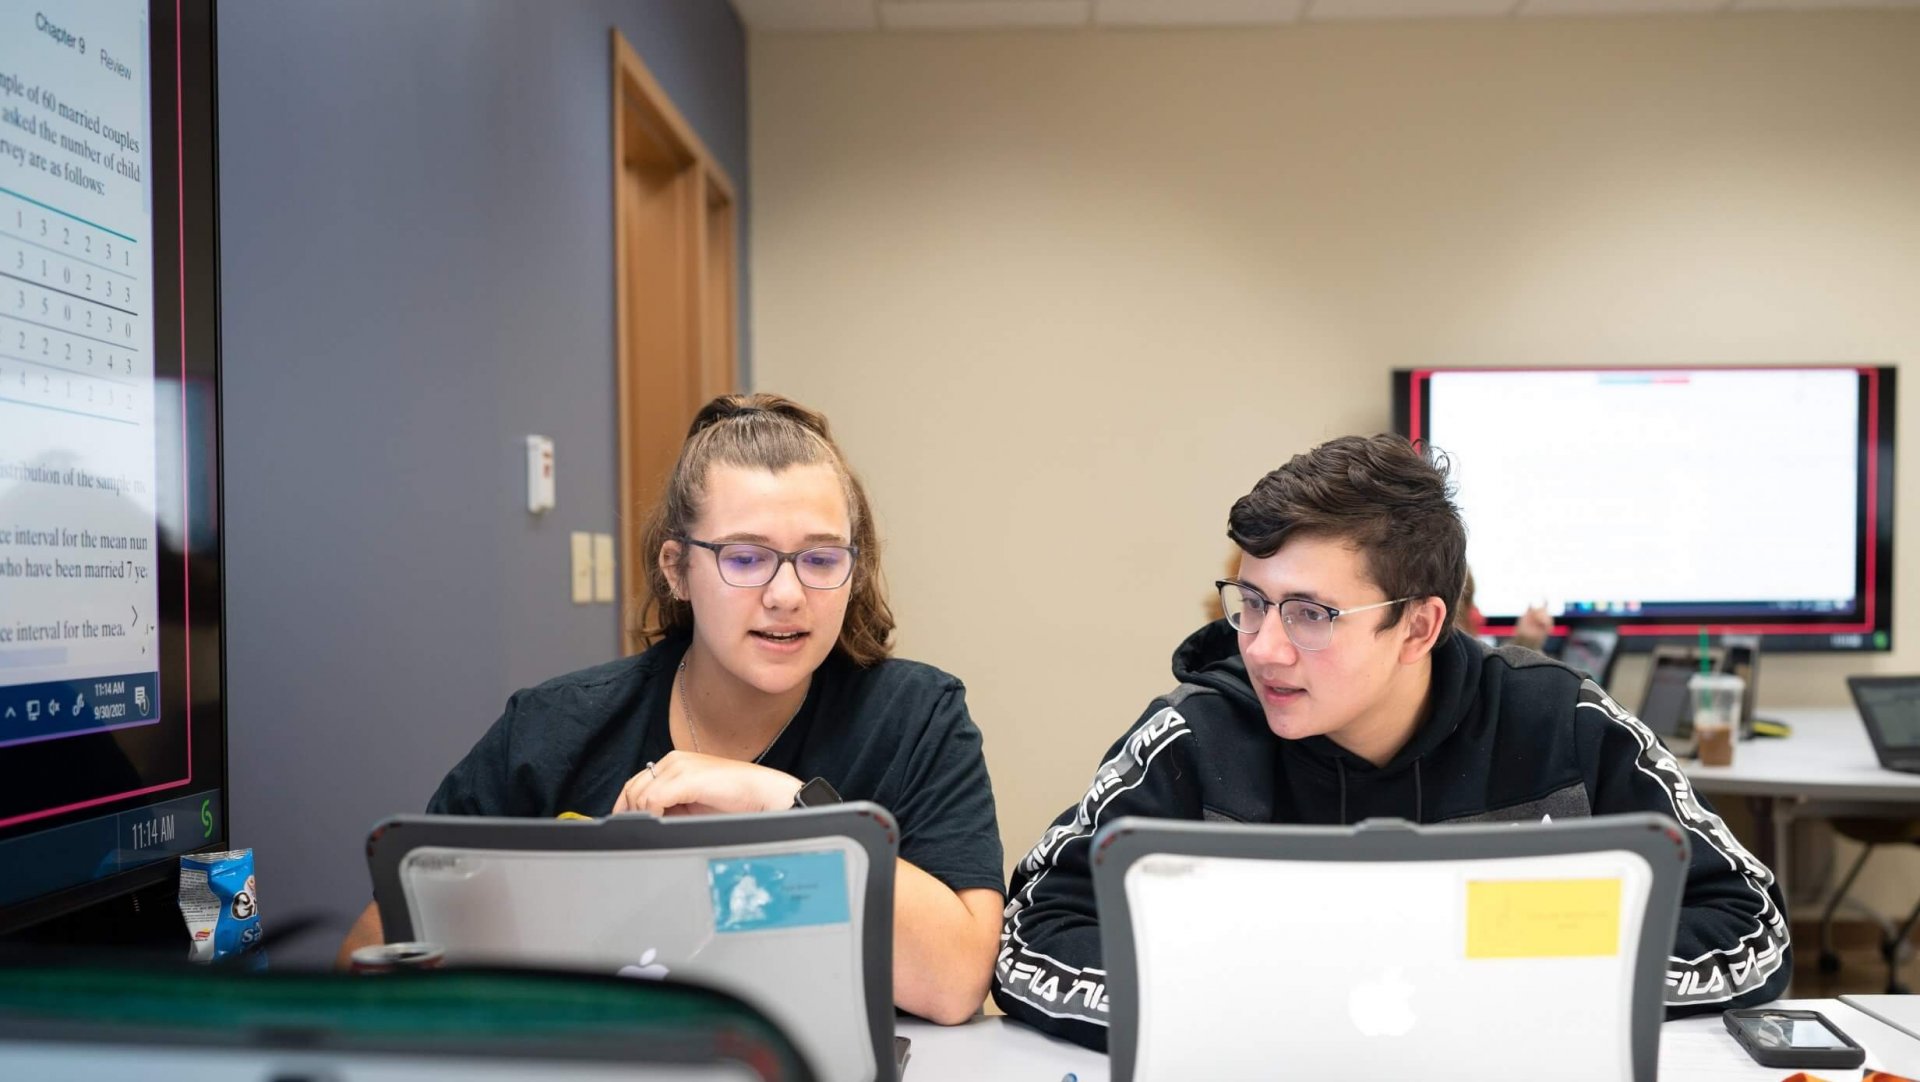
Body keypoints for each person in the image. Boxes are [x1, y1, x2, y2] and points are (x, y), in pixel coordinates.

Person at [992, 434, 1789, 1050]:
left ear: (1419, 627)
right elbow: (1031, 937)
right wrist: (1259, 1009)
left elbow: (1749, 922)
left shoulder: (1563, 723)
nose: (1263, 648)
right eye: (1252, 603)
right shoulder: (1192, 737)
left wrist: (1517, 992)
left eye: (1310, 614)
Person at [339, 394, 1006, 1024]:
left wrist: (777, 801)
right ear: (677, 568)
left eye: (821, 558)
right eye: (745, 558)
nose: (787, 594)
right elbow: (371, 953)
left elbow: (955, 983)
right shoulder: (552, 730)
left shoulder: (916, 718)